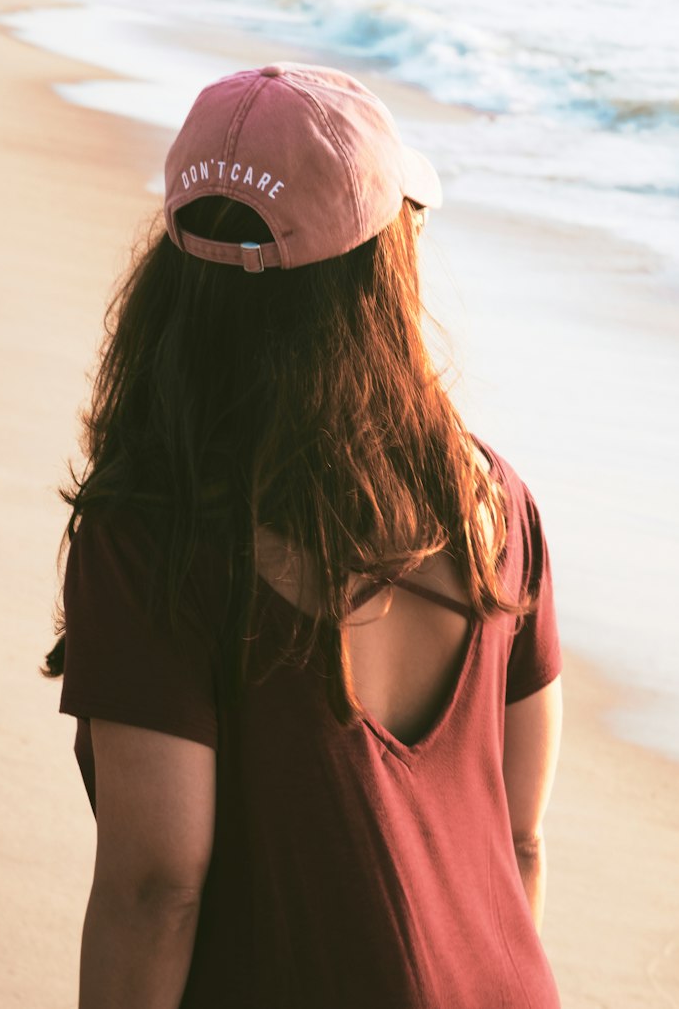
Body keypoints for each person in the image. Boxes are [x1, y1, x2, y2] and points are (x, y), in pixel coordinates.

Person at [45, 63, 564, 1008]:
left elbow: (155, 890)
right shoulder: (495, 501)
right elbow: (521, 840)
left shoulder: (155, 536)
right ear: (382, 263)